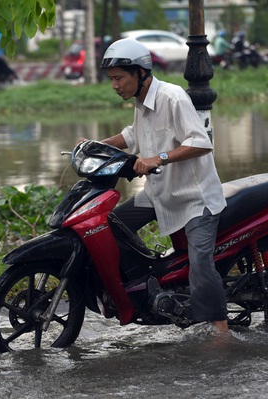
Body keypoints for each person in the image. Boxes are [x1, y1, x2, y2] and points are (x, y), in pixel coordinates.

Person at [97, 38, 230, 335]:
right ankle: (153, 280)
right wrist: (97, 145)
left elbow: (200, 142)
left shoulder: (173, 97)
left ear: (140, 73)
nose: (115, 85)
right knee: (110, 223)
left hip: (195, 199)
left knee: (201, 267)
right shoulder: (142, 102)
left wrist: (159, 157)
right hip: (161, 194)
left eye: (119, 78)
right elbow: (133, 135)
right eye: (111, 79)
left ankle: (221, 334)